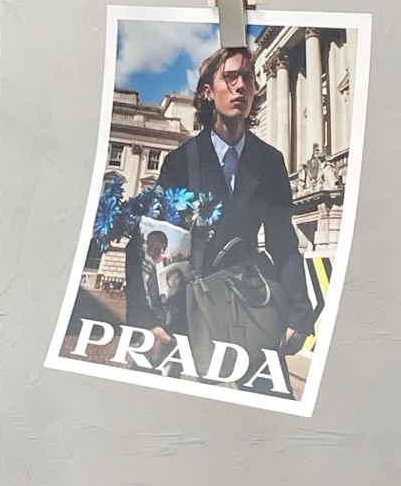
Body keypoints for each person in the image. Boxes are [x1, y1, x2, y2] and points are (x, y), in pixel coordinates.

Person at [126, 44, 313, 361]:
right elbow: (146, 243)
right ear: (208, 92)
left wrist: (299, 314)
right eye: (230, 77)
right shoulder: (180, 161)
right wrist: (146, 321)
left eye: (248, 78)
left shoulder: (270, 162)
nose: (241, 86)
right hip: (186, 312)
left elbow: (283, 242)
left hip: (249, 306)